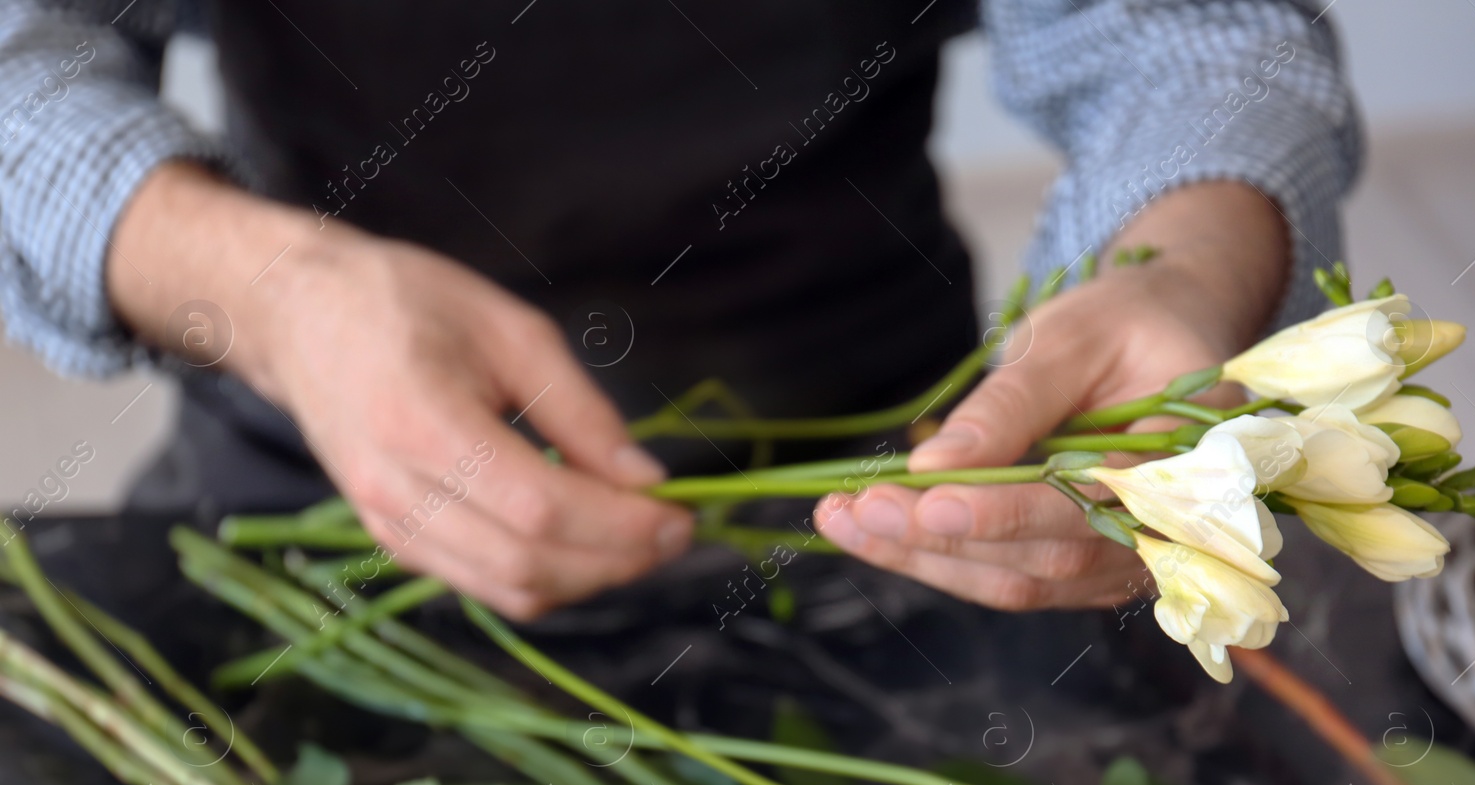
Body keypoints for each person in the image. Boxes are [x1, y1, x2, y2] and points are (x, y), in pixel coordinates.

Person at [0, 0, 1358, 620]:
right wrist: (274, 294)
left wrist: (1181, 273)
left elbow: (1196, 39)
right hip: (308, 498)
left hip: (896, 506)